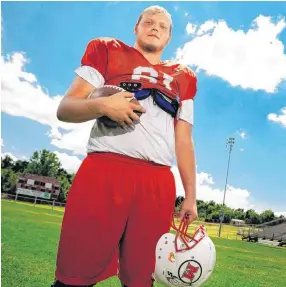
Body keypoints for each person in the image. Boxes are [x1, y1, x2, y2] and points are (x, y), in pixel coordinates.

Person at [51, 5, 198, 287]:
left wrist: (190, 195)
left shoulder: (184, 77)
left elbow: (184, 140)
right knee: (75, 275)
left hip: (157, 181)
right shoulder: (105, 49)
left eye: (163, 26)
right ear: (136, 27)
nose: (155, 27)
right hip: (105, 169)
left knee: (141, 279)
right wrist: (103, 105)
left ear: (168, 37)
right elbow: (65, 109)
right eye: (149, 22)